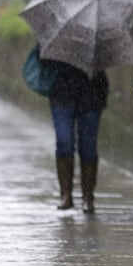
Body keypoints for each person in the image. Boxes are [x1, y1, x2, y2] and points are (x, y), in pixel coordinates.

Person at [44, 57, 109, 214]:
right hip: (62, 94)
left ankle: (88, 196)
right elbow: (44, 58)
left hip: (92, 94)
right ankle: (65, 194)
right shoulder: (59, 38)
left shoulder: (98, 38)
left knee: (88, 147)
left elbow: (107, 60)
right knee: (64, 142)